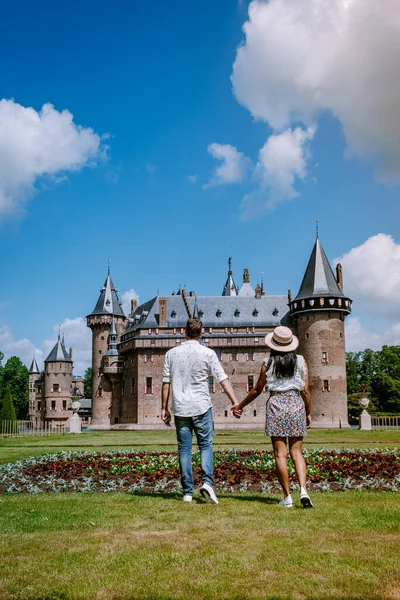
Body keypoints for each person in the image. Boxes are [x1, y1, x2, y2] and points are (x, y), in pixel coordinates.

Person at [233, 326, 313, 508]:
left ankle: (287, 498)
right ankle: (303, 490)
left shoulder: (267, 362)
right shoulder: (301, 361)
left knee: (280, 454)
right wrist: (308, 412)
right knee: (297, 453)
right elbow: (306, 391)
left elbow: (257, 389)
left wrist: (240, 405)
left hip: (276, 404)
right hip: (295, 404)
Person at [161, 318, 240, 504]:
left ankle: (187, 492)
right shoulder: (208, 353)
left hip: (180, 408)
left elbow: (166, 383)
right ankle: (207, 483)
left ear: (184, 332)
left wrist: (164, 408)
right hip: (202, 407)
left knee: (184, 450)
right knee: (205, 445)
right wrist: (235, 402)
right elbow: (222, 379)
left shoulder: (171, 354)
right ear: (201, 332)